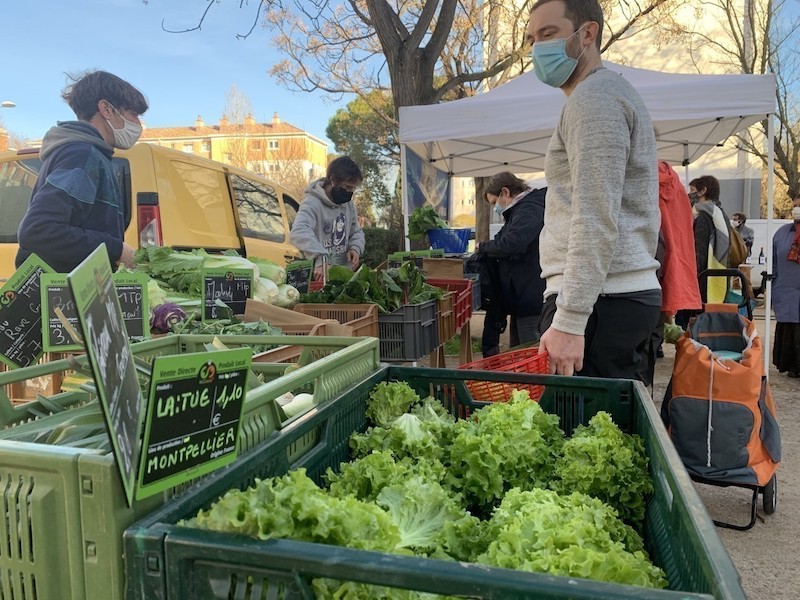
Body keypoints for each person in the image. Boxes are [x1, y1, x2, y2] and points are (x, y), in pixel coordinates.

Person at [526, 0, 662, 383]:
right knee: (610, 419)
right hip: (608, 298)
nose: (537, 49)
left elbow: (595, 215)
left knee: (582, 420)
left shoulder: (594, 98)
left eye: (548, 34)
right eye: (532, 39)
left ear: (587, 33)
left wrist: (570, 319)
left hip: (600, 302)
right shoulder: (603, 94)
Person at [16, 71, 147, 272]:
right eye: (134, 115)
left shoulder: (91, 155)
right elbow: (38, 230)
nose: (138, 124)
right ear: (106, 109)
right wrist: (115, 249)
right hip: (60, 289)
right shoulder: (82, 155)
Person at [476, 172, 546, 355]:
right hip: (521, 299)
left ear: (505, 192)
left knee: (531, 356)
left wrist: (482, 247)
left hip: (532, 298)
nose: (496, 208)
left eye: (494, 202)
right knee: (520, 355)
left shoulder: (529, 210)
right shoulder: (518, 212)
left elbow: (511, 244)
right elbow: (501, 240)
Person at [290, 156, 365, 281]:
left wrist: (355, 248)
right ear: (333, 180)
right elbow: (299, 231)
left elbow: (356, 232)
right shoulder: (312, 203)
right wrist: (320, 257)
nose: (350, 192)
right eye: (347, 187)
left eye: (353, 189)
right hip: (318, 277)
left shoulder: (348, 205)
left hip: (342, 277)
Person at [689, 175, 732, 304]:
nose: (690, 194)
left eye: (693, 190)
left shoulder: (703, 217)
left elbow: (699, 252)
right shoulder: (721, 214)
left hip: (704, 279)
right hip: (720, 273)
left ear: (703, 191)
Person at [771, 194, 800, 378]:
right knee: (789, 327)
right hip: (785, 289)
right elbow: (774, 263)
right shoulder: (782, 233)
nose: (796, 209)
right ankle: (791, 366)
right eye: (795, 205)